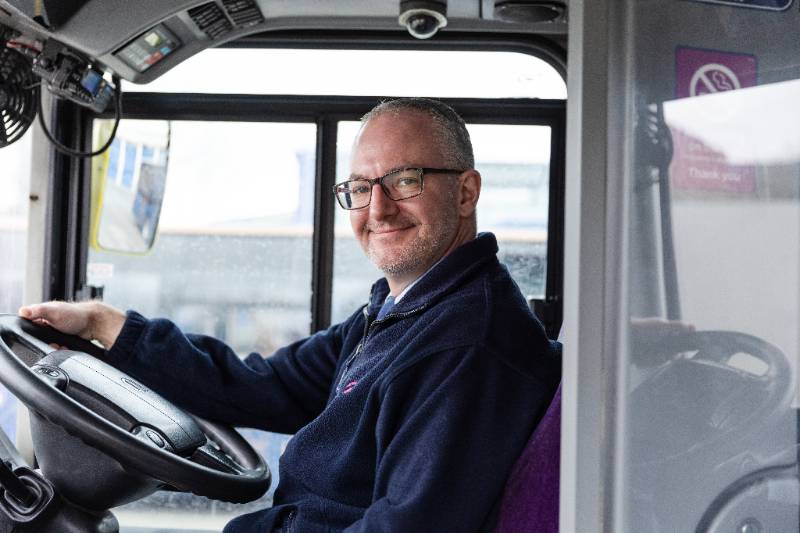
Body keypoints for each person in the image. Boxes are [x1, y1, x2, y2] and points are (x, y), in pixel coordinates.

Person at [19, 98, 561, 532]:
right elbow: (266, 384)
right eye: (361, 188)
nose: (377, 209)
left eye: (405, 181)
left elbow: (410, 524)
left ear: (466, 192)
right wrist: (104, 326)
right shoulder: (407, 307)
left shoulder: (466, 343)